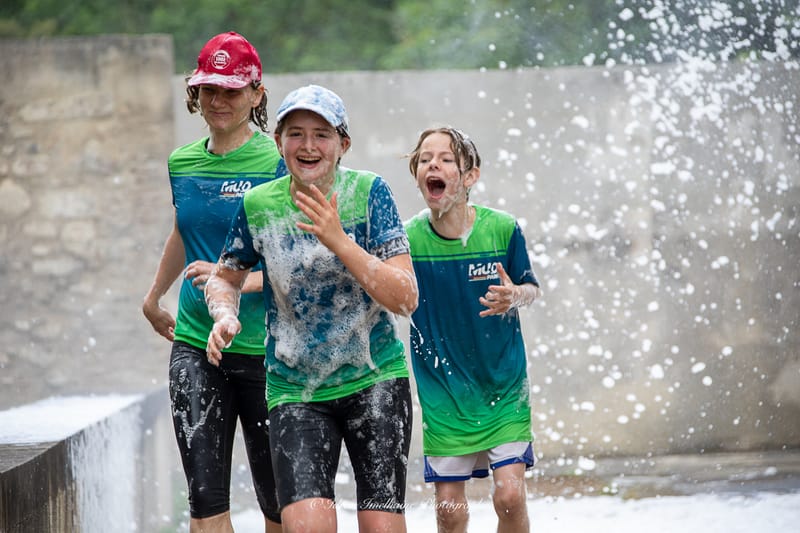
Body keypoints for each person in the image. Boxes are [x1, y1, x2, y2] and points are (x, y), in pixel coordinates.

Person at [204, 84, 418, 532]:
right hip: (295, 390)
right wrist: (225, 314)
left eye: (321, 134)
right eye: (296, 134)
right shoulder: (259, 205)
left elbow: (406, 298)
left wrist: (339, 240)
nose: (308, 146)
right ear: (278, 141)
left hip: (374, 378)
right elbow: (225, 277)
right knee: (307, 527)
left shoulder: (368, 193)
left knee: (380, 526)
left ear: (343, 144)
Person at [141, 31, 284, 533]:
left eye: (231, 90)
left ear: (256, 94)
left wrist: (232, 282)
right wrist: (154, 296)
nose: (218, 100)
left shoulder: (278, 163)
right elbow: (184, 230)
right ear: (194, 92)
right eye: (209, 89)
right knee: (204, 503)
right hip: (195, 344)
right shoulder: (181, 162)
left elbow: (300, 262)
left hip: (268, 350)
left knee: (278, 507)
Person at [404, 127, 542, 533]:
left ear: (470, 176)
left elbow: (531, 289)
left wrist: (514, 295)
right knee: (449, 510)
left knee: (510, 497)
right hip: (443, 391)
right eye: (425, 159)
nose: (433, 164)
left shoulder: (502, 229)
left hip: (503, 385)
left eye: (446, 159)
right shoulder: (408, 239)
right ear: (417, 176)